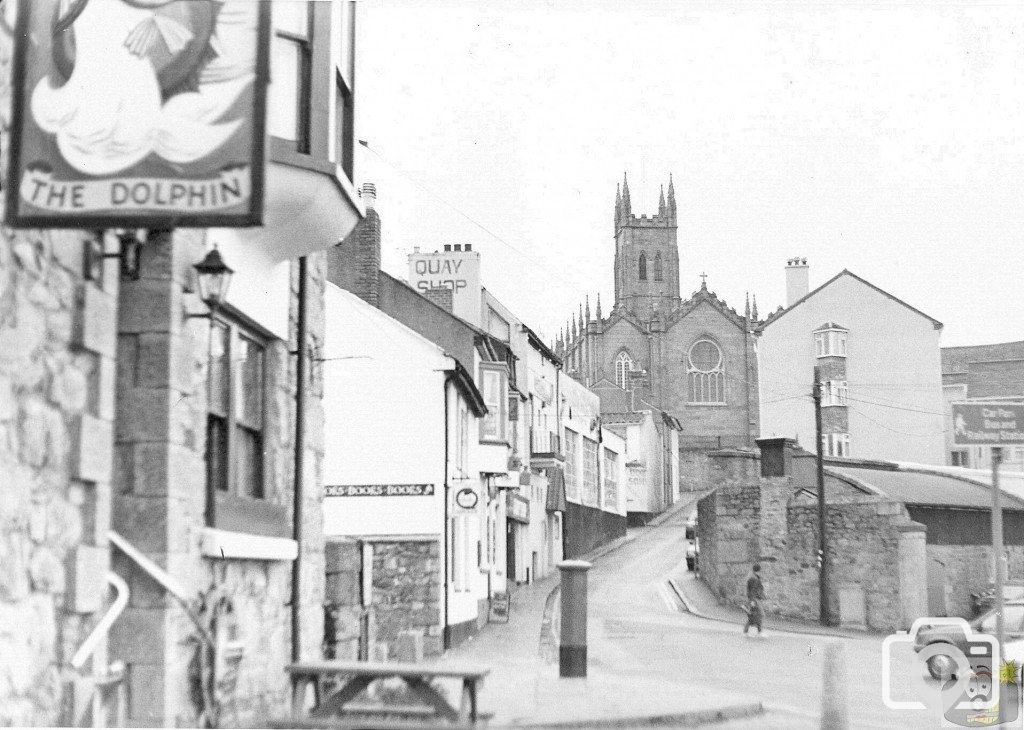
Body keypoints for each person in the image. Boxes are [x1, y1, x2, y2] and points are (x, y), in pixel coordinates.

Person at [743, 564, 766, 636]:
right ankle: (759, 632)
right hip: (755, 599)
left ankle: (746, 631)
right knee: (760, 614)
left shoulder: (754, 577)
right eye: (760, 571)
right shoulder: (754, 579)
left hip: (755, 598)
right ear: (758, 570)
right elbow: (752, 590)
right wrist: (752, 601)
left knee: (754, 615)